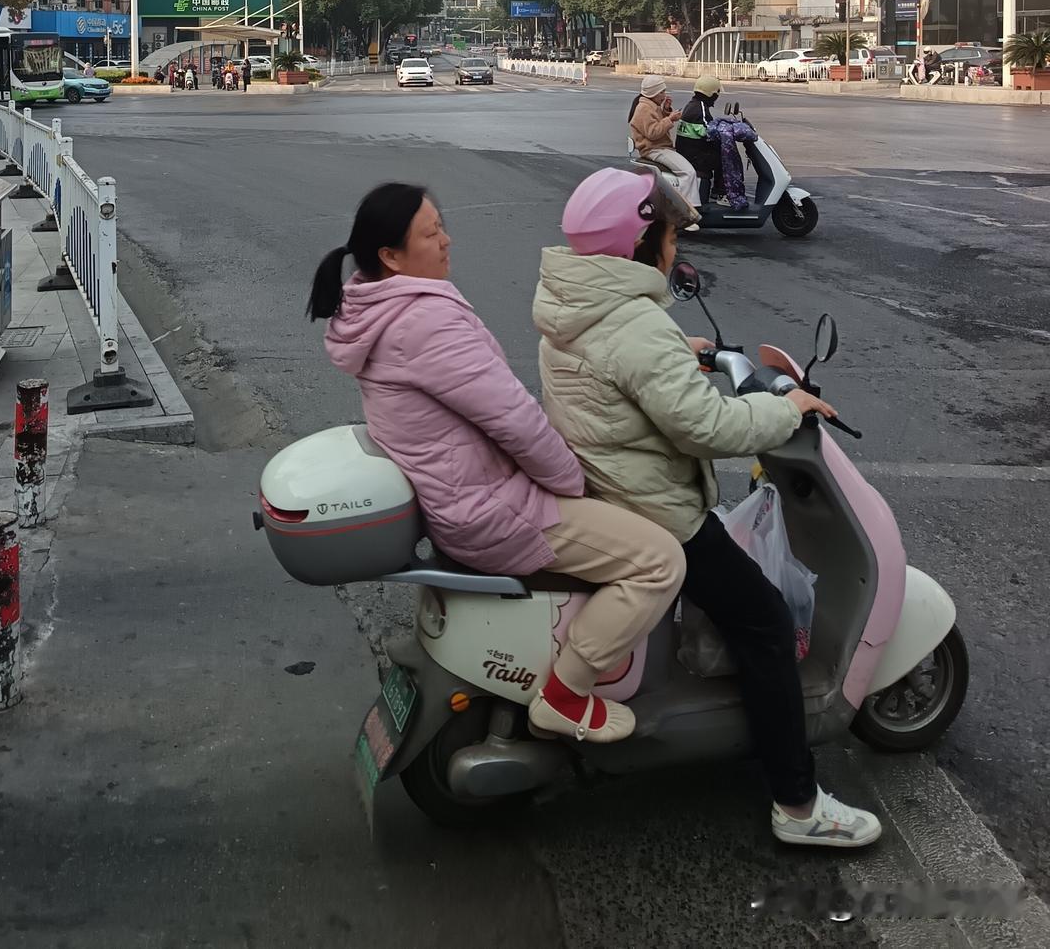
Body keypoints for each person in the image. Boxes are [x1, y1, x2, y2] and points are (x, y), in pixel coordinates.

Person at [532, 166, 881, 848]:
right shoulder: (634, 324)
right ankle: (799, 805)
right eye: (668, 234)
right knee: (767, 623)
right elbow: (709, 430)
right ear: (642, 243)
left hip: (608, 485)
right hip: (657, 508)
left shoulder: (570, 300)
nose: (674, 249)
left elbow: (620, 374)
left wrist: (677, 356)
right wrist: (783, 407)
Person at [311, 183, 684, 744]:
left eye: (442, 225)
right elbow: (512, 417)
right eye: (431, 233)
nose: (446, 240)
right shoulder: (421, 322)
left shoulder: (376, 305)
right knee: (660, 561)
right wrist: (570, 482)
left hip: (463, 498)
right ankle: (566, 694)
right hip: (494, 508)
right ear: (390, 256)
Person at [629, 75, 701, 216]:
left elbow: (655, 122)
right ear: (653, 93)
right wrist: (670, 119)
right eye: (661, 92)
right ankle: (686, 212)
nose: (664, 95)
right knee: (688, 172)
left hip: (659, 148)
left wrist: (666, 110)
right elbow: (653, 133)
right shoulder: (644, 108)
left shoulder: (651, 106)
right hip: (655, 149)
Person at [675, 74, 724, 202]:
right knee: (725, 157)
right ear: (711, 94)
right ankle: (720, 192)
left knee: (719, 151)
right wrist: (726, 130)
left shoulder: (692, 104)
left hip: (688, 151)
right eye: (716, 94)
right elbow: (709, 129)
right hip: (695, 156)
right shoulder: (700, 107)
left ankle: (718, 191)